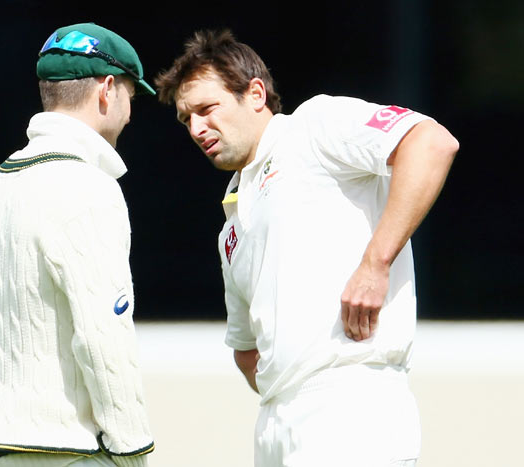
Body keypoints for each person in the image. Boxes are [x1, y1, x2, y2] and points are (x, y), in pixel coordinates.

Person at [155, 29, 458, 467]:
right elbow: (246, 350)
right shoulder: (231, 225)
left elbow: (431, 143)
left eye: (206, 109)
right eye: (186, 119)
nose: (197, 128)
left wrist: (375, 264)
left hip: (351, 404)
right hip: (276, 423)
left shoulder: (313, 126)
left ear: (255, 94)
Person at [0, 23, 156, 467]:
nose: (129, 112)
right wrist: (133, 452)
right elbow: (105, 336)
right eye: (130, 96)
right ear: (107, 90)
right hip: (68, 450)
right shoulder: (90, 188)